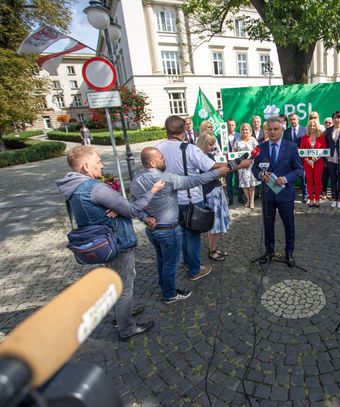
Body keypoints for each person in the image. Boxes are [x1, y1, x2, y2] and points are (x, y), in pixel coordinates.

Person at [56, 146, 164, 340]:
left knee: (117, 282)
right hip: (117, 243)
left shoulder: (73, 187)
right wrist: (152, 191)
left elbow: (94, 212)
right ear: (86, 166)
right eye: (98, 162)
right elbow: (132, 210)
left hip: (101, 243)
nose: (102, 165)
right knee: (125, 286)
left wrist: (115, 209)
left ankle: (122, 314)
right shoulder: (94, 188)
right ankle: (127, 328)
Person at [131, 147, 227, 303]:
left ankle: (164, 286)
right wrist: (217, 173)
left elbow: (134, 204)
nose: (165, 159)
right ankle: (170, 294)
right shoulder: (166, 178)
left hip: (152, 230)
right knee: (170, 263)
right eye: (161, 157)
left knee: (162, 260)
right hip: (168, 230)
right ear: (153, 163)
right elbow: (193, 181)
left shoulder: (136, 179)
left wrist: (145, 218)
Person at [156, 116, 245, 281]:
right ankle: (194, 269)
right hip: (190, 199)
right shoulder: (189, 149)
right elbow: (212, 167)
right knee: (192, 235)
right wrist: (239, 164)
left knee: (182, 233)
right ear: (184, 130)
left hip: (169, 200)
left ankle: (187, 262)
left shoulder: (157, 148)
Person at [252, 116, 303, 267]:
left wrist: (285, 179)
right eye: (270, 129)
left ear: (282, 130)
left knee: (289, 225)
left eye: (276, 129)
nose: (273, 132)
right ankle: (269, 251)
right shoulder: (261, 148)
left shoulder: (291, 147)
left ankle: (289, 253)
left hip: (285, 194)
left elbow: (299, 169)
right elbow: (254, 168)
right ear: (266, 131)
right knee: (268, 224)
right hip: (267, 194)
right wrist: (260, 175)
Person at [196, 133, 238, 261]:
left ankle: (213, 247)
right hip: (210, 192)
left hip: (217, 189)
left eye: (212, 145)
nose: (211, 147)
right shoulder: (199, 158)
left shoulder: (209, 156)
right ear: (203, 143)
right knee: (215, 223)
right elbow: (206, 176)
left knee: (219, 221)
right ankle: (212, 250)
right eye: (209, 144)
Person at [299, 118, 327, 207]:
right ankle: (311, 198)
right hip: (307, 163)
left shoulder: (321, 137)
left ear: (317, 127)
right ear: (308, 127)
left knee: (318, 181)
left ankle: (317, 199)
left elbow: (324, 150)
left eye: (314, 126)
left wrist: (316, 158)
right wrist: (308, 160)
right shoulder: (304, 138)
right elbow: (302, 150)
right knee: (309, 181)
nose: (312, 127)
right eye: (310, 126)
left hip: (318, 162)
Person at [234, 123, 260, 209]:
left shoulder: (253, 140)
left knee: (251, 184)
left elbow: (258, 150)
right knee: (244, 184)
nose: (245, 131)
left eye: (246, 129)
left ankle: (252, 201)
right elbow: (234, 152)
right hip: (241, 166)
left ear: (250, 131)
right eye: (243, 129)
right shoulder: (237, 141)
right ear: (240, 131)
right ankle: (248, 200)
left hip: (251, 165)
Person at [225, 118, 243, 205]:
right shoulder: (222, 136)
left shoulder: (240, 135)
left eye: (232, 125)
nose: (230, 126)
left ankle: (240, 197)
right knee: (228, 180)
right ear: (227, 126)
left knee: (238, 180)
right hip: (227, 161)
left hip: (237, 161)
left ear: (235, 126)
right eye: (229, 125)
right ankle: (230, 199)